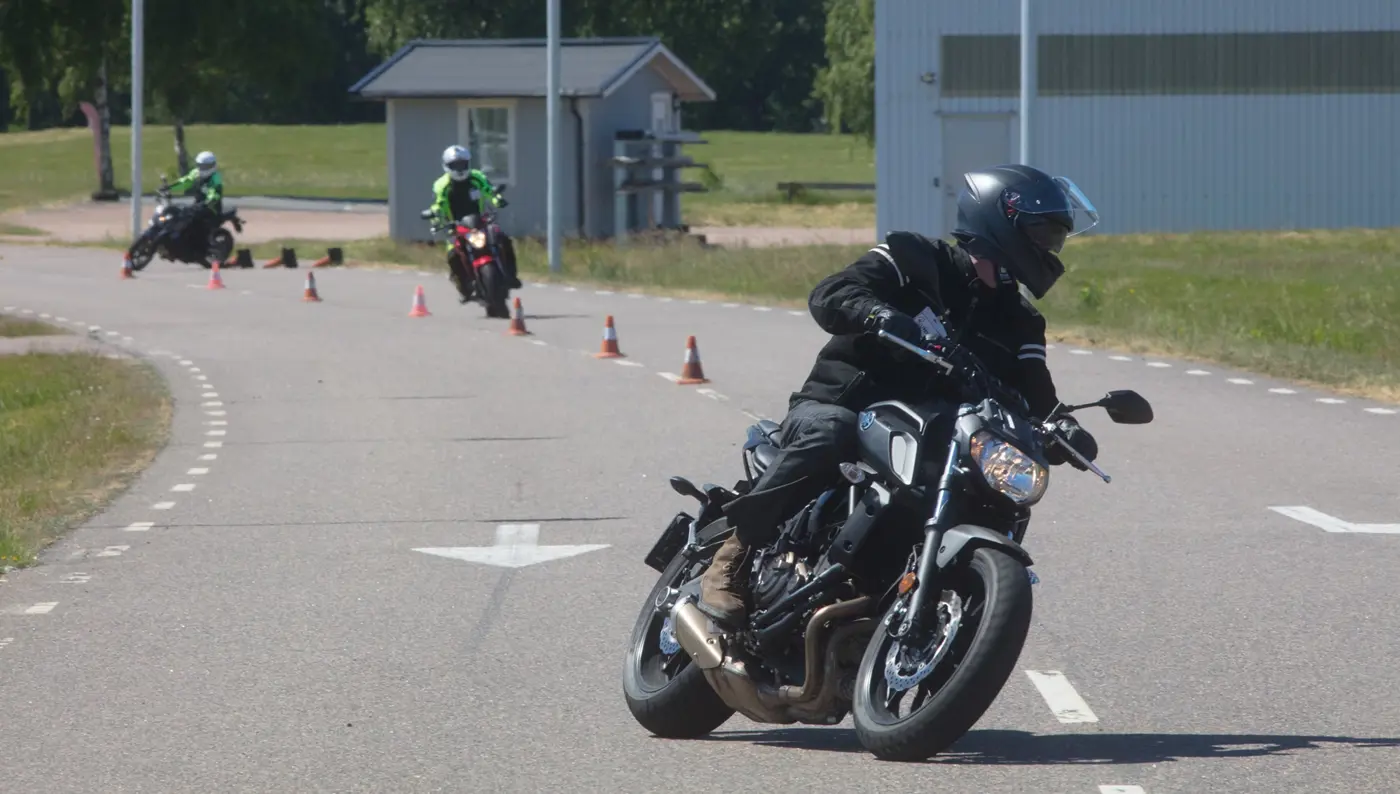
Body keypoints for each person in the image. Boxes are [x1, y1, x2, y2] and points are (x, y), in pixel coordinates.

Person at [696, 164, 1104, 628]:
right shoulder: (914, 257)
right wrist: (878, 314)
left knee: (990, 493)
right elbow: (831, 292)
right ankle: (732, 554)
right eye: (1043, 231)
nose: (1050, 245)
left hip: (926, 441)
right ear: (999, 219)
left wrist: (1062, 425)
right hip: (842, 405)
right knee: (832, 432)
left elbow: (1036, 393)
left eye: (1056, 236)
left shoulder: (1021, 321)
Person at [431, 144, 521, 300]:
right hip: (456, 226)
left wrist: (497, 199)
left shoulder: (477, 177)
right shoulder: (441, 185)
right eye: (455, 165)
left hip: (480, 222)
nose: (460, 168)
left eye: (462, 164)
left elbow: (489, 190)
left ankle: (511, 275)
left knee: (503, 239)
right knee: (453, 254)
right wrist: (435, 216)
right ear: (446, 166)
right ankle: (464, 286)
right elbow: (438, 203)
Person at [166, 151, 224, 260]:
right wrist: (169, 188)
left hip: (211, 209)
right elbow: (185, 181)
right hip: (198, 206)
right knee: (179, 215)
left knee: (193, 224)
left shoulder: (215, 178)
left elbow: (215, 193)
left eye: (205, 166)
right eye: (200, 165)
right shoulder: (196, 173)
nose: (202, 168)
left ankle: (201, 250)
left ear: (212, 166)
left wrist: (209, 201)